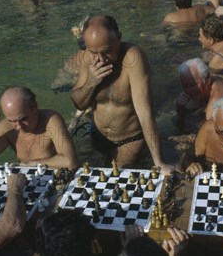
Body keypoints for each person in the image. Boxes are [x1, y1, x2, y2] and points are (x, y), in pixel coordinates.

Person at [71, 15, 175, 174]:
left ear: (119, 38)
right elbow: (79, 104)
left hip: (129, 140)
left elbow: (145, 114)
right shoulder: (88, 57)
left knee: (115, 179)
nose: (101, 59)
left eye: (107, 51)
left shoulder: (133, 58)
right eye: (94, 52)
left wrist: (159, 162)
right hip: (97, 133)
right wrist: (91, 82)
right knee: (78, 174)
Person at [0, 86, 78, 170]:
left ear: (35, 107)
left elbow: (70, 161)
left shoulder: (51, 121)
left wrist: (30, 164)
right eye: (12, 121)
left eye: (23, 119)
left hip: (53, 177)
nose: (18, 126)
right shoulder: (6, 127)